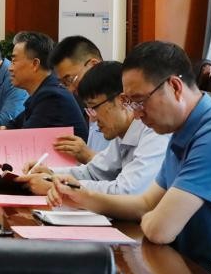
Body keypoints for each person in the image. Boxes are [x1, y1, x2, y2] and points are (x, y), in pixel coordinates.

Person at [53, 41, 211, 274]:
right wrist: (81, 197)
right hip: (202, 268)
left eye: (139, 101)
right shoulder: (181, 131)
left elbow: (159, 230)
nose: (136, 113)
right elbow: (145, 203)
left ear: (174, 86)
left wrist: (152, 216)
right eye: (130, 102)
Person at [15, 61, 169, 196]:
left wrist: (59, 186)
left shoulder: (154, 133)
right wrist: (50, 173)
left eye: (94, 107)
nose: (93, 118)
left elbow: (126, 191)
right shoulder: (122, 134)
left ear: (122, 100)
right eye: (88, 110)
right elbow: (93, 172)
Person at [0, 31, 88, 143]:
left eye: (14, 61)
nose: (10, 68)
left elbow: (25, 141)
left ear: (35, 64)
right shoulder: (43, 91)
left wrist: (4, 138)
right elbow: (14, 125)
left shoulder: (52, 96)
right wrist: (4, 130)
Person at [49, 35, 108, 159]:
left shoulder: (123, 104)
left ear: (93, 65)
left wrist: (87, 155)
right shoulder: (91, 106)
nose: (70, 90)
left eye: (70, 79)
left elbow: (121, 167)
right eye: (64, 84)